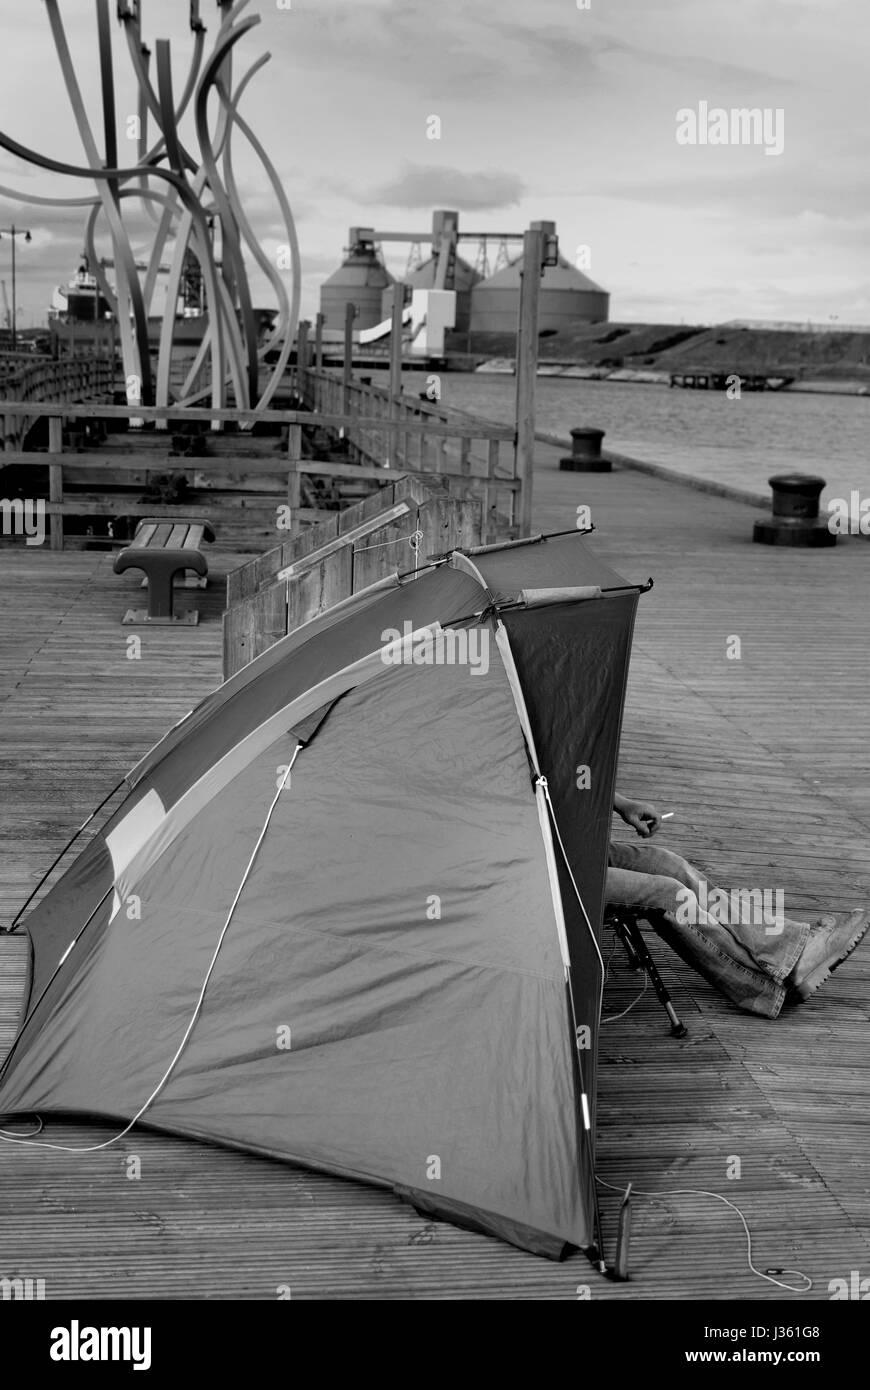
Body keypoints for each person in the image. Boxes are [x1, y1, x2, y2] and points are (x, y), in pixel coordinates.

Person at [607, 794, 869, 1019]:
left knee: (668, 864)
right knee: (668, 893)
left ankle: (792, 952)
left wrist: (622, 803)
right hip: (568, 883)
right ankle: (762, 988)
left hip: (580, 850)